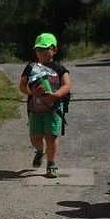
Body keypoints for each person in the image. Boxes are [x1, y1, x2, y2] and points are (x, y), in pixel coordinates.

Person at [18, 33, 72, 179]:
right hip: (35, 109)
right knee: (35, 137)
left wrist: (57, 95)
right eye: (38, 50)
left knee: (51, 137)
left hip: (54, 109)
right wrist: (31, 91)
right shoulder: (31, 67)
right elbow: (22, 85)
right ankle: (39, 151)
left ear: (54, 50)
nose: (41, 52)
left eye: (45, 49)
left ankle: (51, 164)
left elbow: (67, 84)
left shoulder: (59, 68)